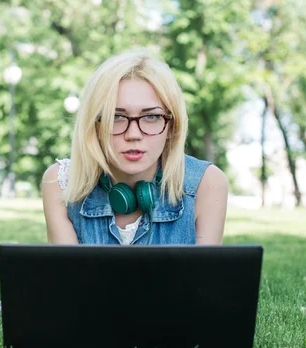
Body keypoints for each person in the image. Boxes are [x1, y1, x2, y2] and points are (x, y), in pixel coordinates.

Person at [42, 49, 228, 245]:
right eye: (116, 117)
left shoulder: (207, 183)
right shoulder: (60, 183)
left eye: (151, 117)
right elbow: (67, 275)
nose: (133, 135)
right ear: (94, 125)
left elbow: (204, 275)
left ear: (172, 126)